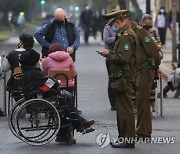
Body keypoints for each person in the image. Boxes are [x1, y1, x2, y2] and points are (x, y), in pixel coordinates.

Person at [19, 49, 95, 144]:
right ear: (34, 62)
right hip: (39, 100)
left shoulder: (28, 71)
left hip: (35, 98)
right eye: (38, 60)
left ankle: (72, 128)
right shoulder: (35, 73)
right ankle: (79, 123)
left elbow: (45, 81)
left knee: (63, 103)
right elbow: (48, 82)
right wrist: (56, 82)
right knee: (64, 103)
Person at [100, 10, 140, 148]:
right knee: (122, 109)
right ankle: (124, 137)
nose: (113, 27)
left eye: (113, 24)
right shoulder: (124, 34)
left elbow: (124, 58)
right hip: (122, 77)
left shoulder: (126, 36)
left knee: (125, 110)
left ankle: (127, 139)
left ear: (118, 22)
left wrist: (108, 54)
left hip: (124, 78)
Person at [125, 11, 161, 140]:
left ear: (128, 20)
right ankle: (143, 130)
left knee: (143, 103)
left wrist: (156, 67)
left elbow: (155, 52)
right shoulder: (131, 33)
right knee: (141, 102)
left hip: (145, 71)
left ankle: (143, 131)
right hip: (139, 71)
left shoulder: (140, 32)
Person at [141, 14, 163, 116]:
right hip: (141, 64)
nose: (148, 25)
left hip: (153, 63)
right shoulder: (139, 32)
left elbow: (159, 44)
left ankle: (153, 107)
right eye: (146, 23)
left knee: (152, 87)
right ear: (142, 22)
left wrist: (153, 47)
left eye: (150, 23)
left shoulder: (154, 32)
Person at [1, 33, 34, 101]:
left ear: (21, 42)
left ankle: (21, 106)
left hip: (15, 85)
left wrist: (6, 57)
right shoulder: (33, 54)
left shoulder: (12, 54)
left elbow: (4, 68)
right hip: (31, 84)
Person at [103, 24, 116, 110]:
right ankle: (113, 103)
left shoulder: (121, 27)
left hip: (119, 57)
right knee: (112, 79)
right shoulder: (107, 28)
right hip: (110, 57)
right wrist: (118, 38)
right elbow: (106, 39)